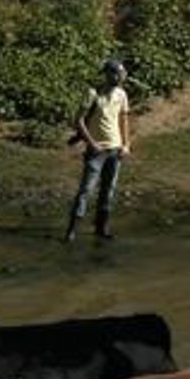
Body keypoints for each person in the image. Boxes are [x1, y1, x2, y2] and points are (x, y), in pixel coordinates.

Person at [64, 57, 132, 242]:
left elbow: (124, 120)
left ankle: (101, 228)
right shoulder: (93, 93)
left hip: (115, 149)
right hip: (96, 151)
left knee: (108, 190)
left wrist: (126, 144)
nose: (121, 77)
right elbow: (78, 120)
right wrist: (92, 143)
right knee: (86, 189)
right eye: (117, 73)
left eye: (122, 73)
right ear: (108, 74)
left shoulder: (122, 95)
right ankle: (72, 230)